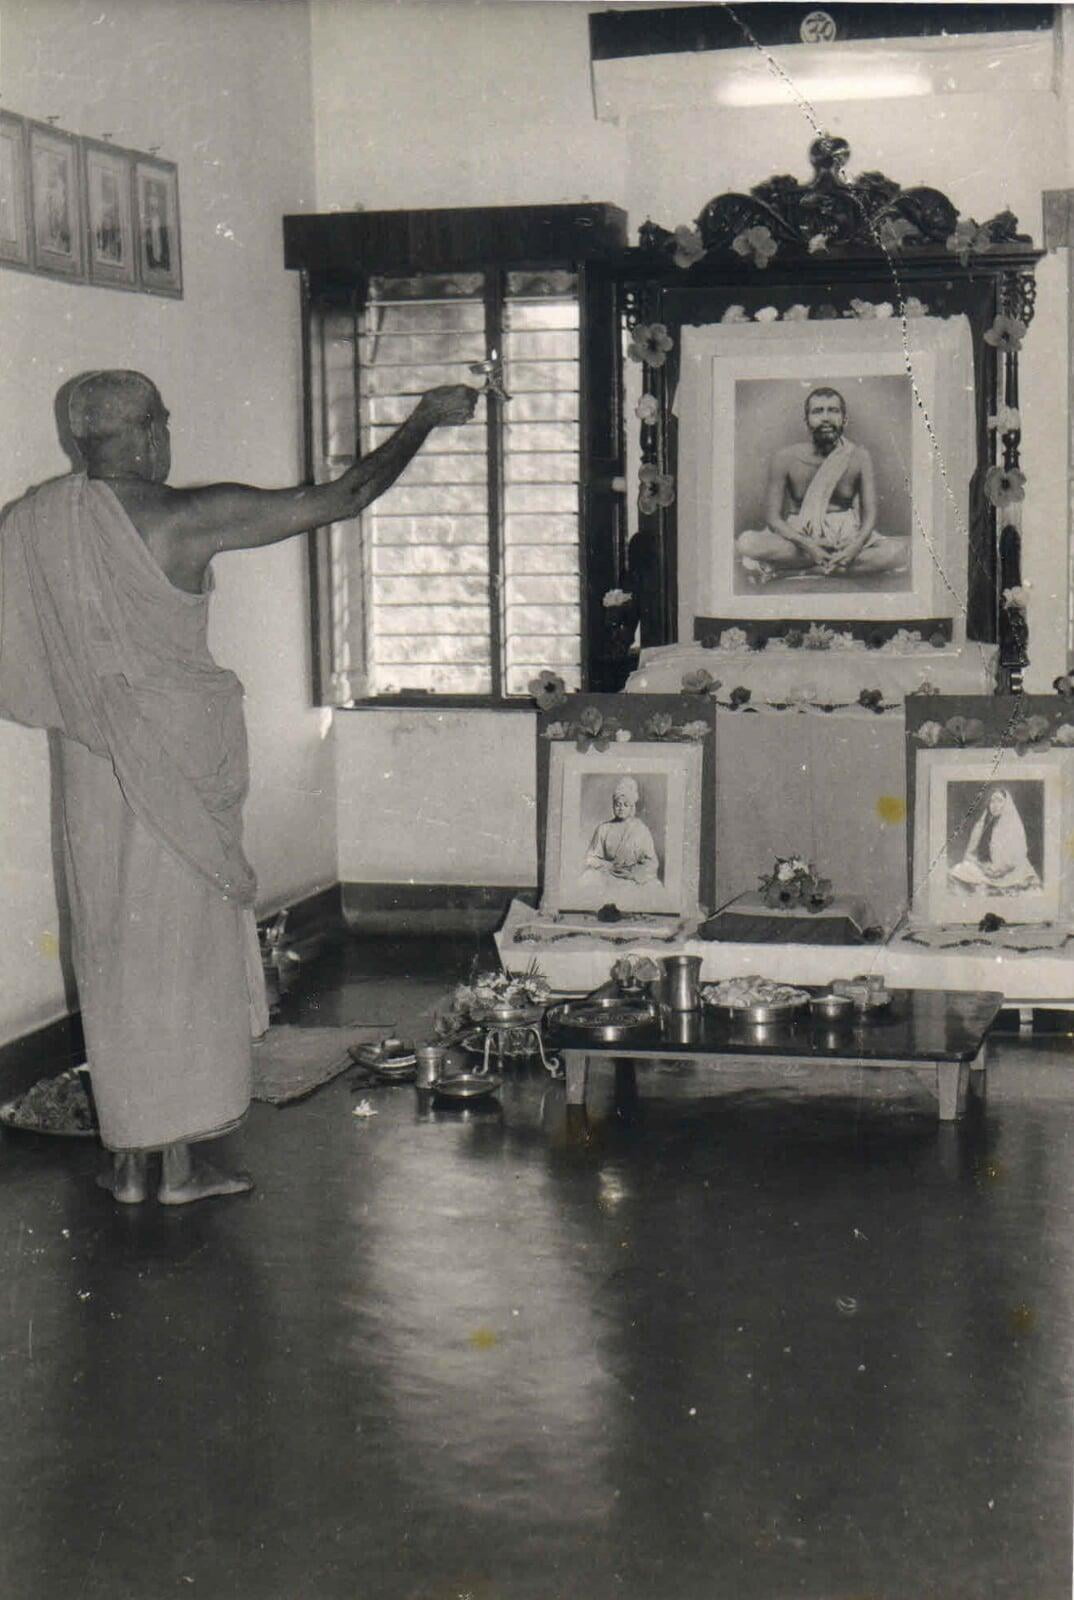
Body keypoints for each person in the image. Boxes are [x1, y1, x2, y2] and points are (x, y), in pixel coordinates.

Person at [0, 369, 477, 1205]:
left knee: (117, 952)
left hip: (93, 765)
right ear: (148, 431)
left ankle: (131, 1163)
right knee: (179, 959)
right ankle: (178, 1169)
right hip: (174, 766)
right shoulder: (185, 517)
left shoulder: (37, 521)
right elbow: (344, 497)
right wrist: (425, 420)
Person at [735, 386, 910, 582]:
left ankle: (794, 571)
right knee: (746, 542)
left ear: (844, 419)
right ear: (806, 421)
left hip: (846, 538)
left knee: (898, 552)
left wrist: (855, 546)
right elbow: (773, 518)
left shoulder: (859, 456)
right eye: (818, 411)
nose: (825, 417)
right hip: (799, 539)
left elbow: (870, 515)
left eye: (833, 410)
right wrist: (809, 545)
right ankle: (835, 566)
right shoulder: (784, 458)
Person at [948, 786, 1042, 896]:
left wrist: (999, 869)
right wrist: (982, 866)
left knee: (1022, 875)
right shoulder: (981, 826)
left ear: (1006, 804)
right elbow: (969, 854)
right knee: (960, 868)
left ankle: (994, 887)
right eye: (992, 801)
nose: (995, 805)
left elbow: (1017, 856)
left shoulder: (1014, 827)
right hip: (986, 870)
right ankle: (989, 885)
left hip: (1009, 871)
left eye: (1000, 801)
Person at [580, 777, 659, 894]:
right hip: (607, 875)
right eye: (618, 804)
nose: (621, 808)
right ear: (613, 806)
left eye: (625, 805)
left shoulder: (641, 830)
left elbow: (652, 863)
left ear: (632, 807)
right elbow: (590, 858)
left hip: (632, 878)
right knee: (587, 879)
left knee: (653, 888)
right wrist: (608, 866)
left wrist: (633, 874)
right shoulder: (603, 829)